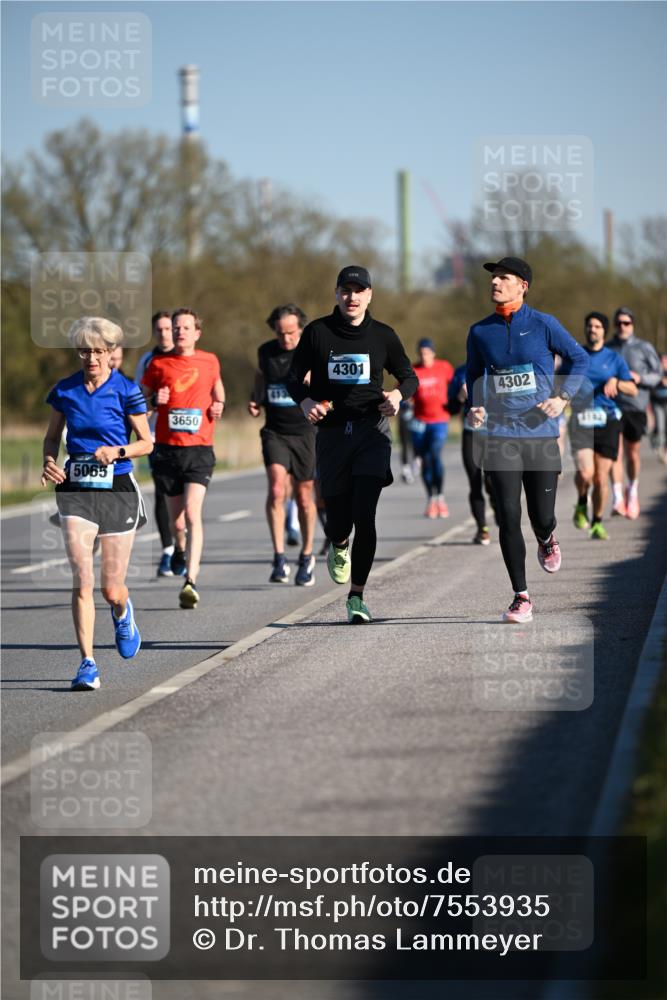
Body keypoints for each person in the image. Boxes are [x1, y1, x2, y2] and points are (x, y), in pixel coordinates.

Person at [289, 265, 418, 624]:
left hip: (371, 431)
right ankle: (339, 543)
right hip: (332, 434)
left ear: (370, 295)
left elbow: (409, 376)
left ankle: (357, 597)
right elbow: (292, 378)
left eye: (359, 290)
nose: (352, 297)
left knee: (366, 514)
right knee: (340, 521)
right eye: (346, 290)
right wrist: (304, 402)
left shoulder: (383, 336)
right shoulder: (317, 333)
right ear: (337, 294)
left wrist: (397, 395)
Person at [466, 257, 588, 624]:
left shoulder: (543, 324)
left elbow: (579, 359)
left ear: (523, 285)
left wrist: (562, 397)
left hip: (540, 433)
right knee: (507, 514)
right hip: (500, 434)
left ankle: (547, 537)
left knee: (542, 515)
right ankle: (521, 597)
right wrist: (475, 408)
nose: (495, 283)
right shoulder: (479, 331)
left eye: (504, 277)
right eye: (493, 278)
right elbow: (474, 375)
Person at [41, 317, 152, 691]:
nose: (91, 357)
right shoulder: (65, 390)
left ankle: (122, 611)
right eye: (85, 351)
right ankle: (87, 663)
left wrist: (117, 450)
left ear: (110, 354)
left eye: (98, 351)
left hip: (117, 485)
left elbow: (146, 442)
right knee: (83, 579)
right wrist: (49, 462)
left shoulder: (126, 390)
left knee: (110, 587)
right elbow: (52, 437)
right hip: (76, 488)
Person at [141, 308, 225, 609]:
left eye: (186, 327)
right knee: (177, 523)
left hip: (199, 449)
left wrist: (219, 406)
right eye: (176, 327)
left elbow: (218, 392)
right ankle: (179, 547)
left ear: (197, 332)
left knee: (192, 513)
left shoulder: (209, 360)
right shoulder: (158, 363)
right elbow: (139, 405)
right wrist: (153, 401)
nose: (180, 332)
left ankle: (191, 580)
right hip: (167, 450)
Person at [248, 303, 317, 586]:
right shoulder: (266, 351)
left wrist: (317, 384)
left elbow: (330, 387)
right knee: (277, 488)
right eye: (280, 334)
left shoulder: (312, 352)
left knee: (303, 496)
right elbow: (261, 377)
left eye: (290, 333)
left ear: (300, 329)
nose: (285, 339)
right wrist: (256, 398)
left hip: (305, 432)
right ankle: (278, 557)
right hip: (275, 431)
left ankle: (307, 555)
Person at [570, 312, 637, 540]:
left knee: (600, 478)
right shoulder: (576, 356)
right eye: (589, 326)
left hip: (607, 421)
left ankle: (597, 522)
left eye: (597, 326)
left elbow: (633, 389)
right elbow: (559, 382)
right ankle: (581, 503)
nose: (593, 329)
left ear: (604, 331)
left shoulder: (615, 359)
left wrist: (617, 382)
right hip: (581, 421)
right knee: (585, 473)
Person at [608, 307, 662, 518]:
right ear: (614, 325)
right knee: (616, 453)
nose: (622, 326)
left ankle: (632, 491)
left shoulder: (643, 347)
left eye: (626, 323)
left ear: (632, 325)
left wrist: (639, 378)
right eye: (619, 323)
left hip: (636, 406)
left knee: (632, 453)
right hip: (612, 406)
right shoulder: (609, 348)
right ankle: (617, 497)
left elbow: (657, 375)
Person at [135, 311, 176, 576]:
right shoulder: (147, 360)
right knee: (162, 491)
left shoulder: (188, 356)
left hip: (186, 438)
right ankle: (168, 550)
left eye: (167, 329)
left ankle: (182, 544)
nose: (163, 333)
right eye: (158, 329)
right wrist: (154, 403)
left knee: (180, 494)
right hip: (156, 436)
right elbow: (140, 402)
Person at [447, 363, 496, 544]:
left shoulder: (497, 366)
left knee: (492, 480)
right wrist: (460, 397)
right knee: (474, 481)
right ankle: (482, 528)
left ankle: (497, 504)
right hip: (471, 434)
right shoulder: (460, 372)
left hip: (494, 433)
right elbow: (450, 409)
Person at [411, 338, 454, 518]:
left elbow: (456, 384)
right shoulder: (413, 370)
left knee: (435, 453)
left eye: (427, 352)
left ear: (433, 353)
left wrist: (455, 401)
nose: (424, 356)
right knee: (425, 460)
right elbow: (405, 392)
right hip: (420, 422)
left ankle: (441, 497)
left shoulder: (444, 367)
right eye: (421, 353)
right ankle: (431, 499)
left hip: (439, 420)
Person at [650, 353, 667, 464]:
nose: (664, 363)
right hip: (657, 402)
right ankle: (661, 450)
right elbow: (649, 383)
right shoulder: (655, 372)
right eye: (662, 361)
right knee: (660, 427)